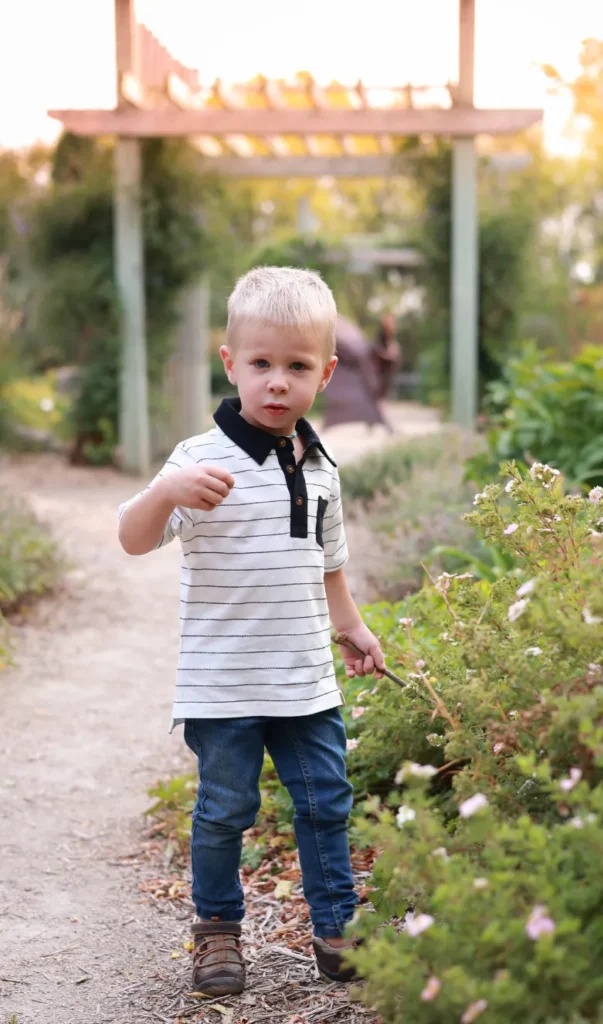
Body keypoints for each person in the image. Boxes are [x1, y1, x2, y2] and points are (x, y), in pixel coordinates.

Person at [117, 266, 385, 995]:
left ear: (325, 374)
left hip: (307, 682)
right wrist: (163, 492)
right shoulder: (197, 461)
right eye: (261, 363)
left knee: (326, 803)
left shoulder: (321, 465)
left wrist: (352, 627)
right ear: (230, 363)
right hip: (224, 685)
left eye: (296, 367)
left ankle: (336, 929)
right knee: (224, 811)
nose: (276, 382)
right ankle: (217, 932)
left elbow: (328, 562)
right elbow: (132, 539)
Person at [371, 312, 401, 402]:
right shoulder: (378, 342)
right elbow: (377, 353)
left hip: (386, 381)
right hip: (376, 379)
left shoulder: (393, 344)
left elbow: (396, 358)